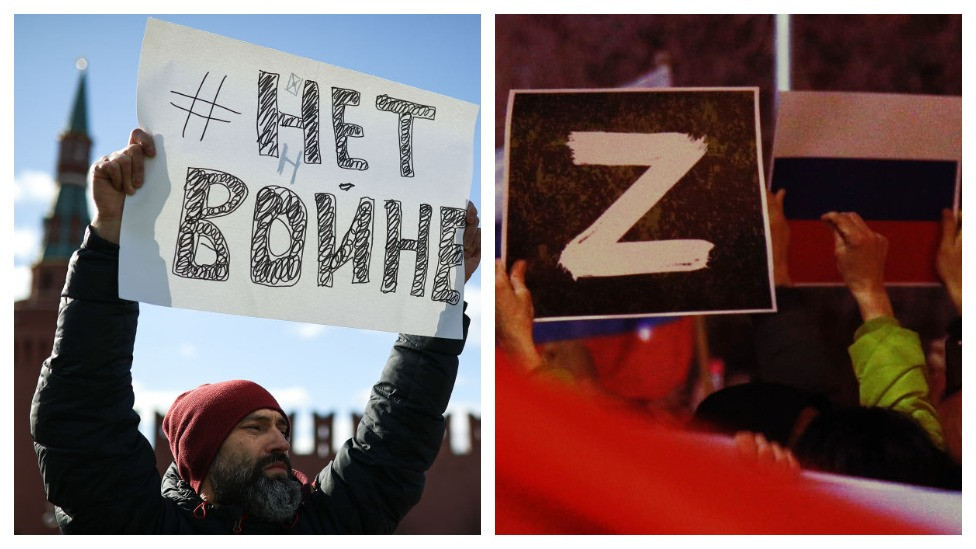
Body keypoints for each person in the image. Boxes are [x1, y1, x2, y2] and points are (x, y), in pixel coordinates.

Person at [30, 129, 482, 534]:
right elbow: (83, 421)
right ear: (204, 450)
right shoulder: (148, 530)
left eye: (281, 427)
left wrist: (439, 297)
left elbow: (396, 436)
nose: (281, 442)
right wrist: (112, 239)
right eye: (256, 427)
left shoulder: (323, 526)